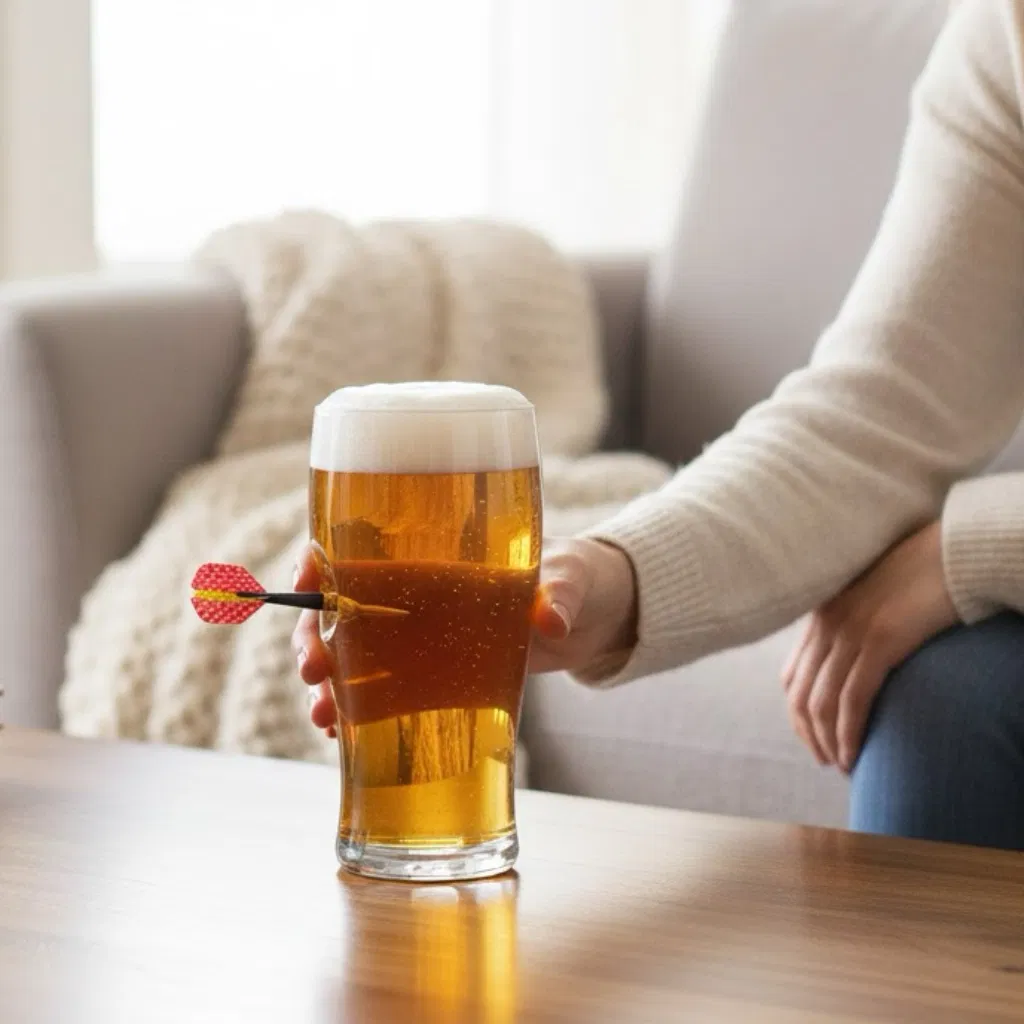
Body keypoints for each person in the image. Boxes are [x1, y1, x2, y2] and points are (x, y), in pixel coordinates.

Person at [294, 0, 1024, 851]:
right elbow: (878, 415)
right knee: (944, 704)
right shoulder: (1002, 41)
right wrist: (604, 581)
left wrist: (966, 548)